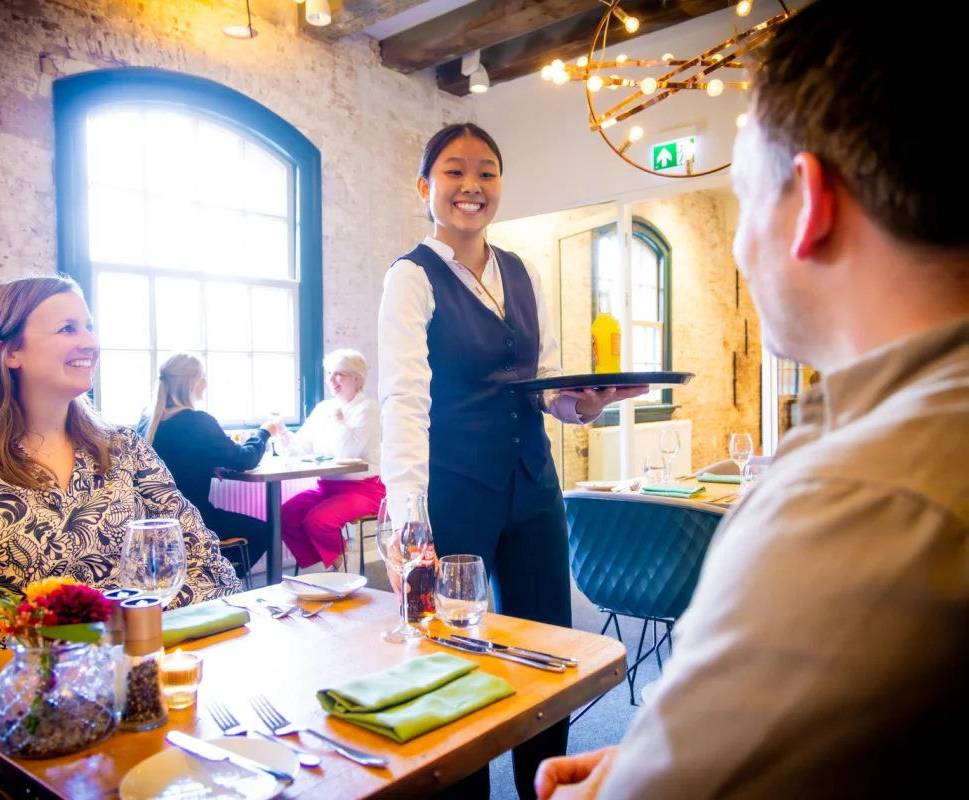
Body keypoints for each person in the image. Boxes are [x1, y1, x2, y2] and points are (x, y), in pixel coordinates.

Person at [534, 1, 969, 797]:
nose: (738, 247)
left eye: (741, 198)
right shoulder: (878, 433)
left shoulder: (855, 503)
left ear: (807, 206)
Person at [377, 123, 646, 800]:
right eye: (454, 172)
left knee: (548, 649)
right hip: (455, 492)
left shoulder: (522, 271)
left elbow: (546, 385)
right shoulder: (410, 278)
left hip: (532, 491)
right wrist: (408, 518)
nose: (472, 186)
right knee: (453, 654)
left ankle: (541, 787)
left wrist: (586, 406)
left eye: (486, 172)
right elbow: (403, 401)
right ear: (424, 187)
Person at [0, 276, 242, 681]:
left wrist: (125, 633)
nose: (90, 341)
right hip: (17, 696)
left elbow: (206, 564)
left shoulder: (125, 449)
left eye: (88, 326)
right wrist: (73, 639)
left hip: (140, 678)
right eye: (67, 328)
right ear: (8, 352)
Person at [138, 353, 272, 580]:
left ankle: (203, 579)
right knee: (265, 531)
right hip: (194, 519)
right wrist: (264, 432)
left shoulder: (148, 419)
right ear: (191, 382)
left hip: (152, 519)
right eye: (203, 377)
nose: (206, 383)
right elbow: (245, 459)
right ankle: (220, 581)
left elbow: (175, 458)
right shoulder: (198, 421)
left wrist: (207, 465)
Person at [266, 349, 384, 571]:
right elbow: (302, 447)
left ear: (356, 378)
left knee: (318, 521)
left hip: (365, 489)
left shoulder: (368, 408)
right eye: (330, 373)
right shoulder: (323, 408)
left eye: (339, 374)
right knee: (285, 515)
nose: (331, 379)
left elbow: (348, 452)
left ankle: (341, 567)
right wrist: (283, 433)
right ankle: (327, 568)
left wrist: (339, 419)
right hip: (327, 487)